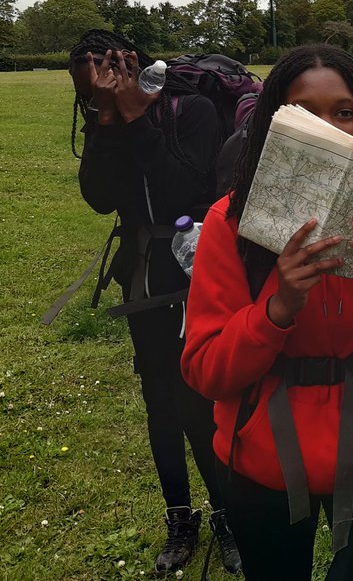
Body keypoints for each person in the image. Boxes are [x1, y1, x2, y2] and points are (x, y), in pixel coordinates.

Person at [180, 44, 353, 580]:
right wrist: (277, 308)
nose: (328, 129)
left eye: (344, 112)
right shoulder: (232, 220)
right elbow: (205, 370)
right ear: (272, 123)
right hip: (258, 454)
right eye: (303, 113)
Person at [68, 30, 240, 575]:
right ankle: (179, 517)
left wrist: (137, 118)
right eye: (85, 85)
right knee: (160, 403)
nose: (98, 88)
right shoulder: (104, 115)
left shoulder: (191, 110)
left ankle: (228, 517)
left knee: (201, 401)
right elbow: (99, 198)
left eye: (105, 74)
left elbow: (182, 189)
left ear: (131, 63)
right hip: (143, 274)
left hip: (196, 270)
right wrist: (105, 120)